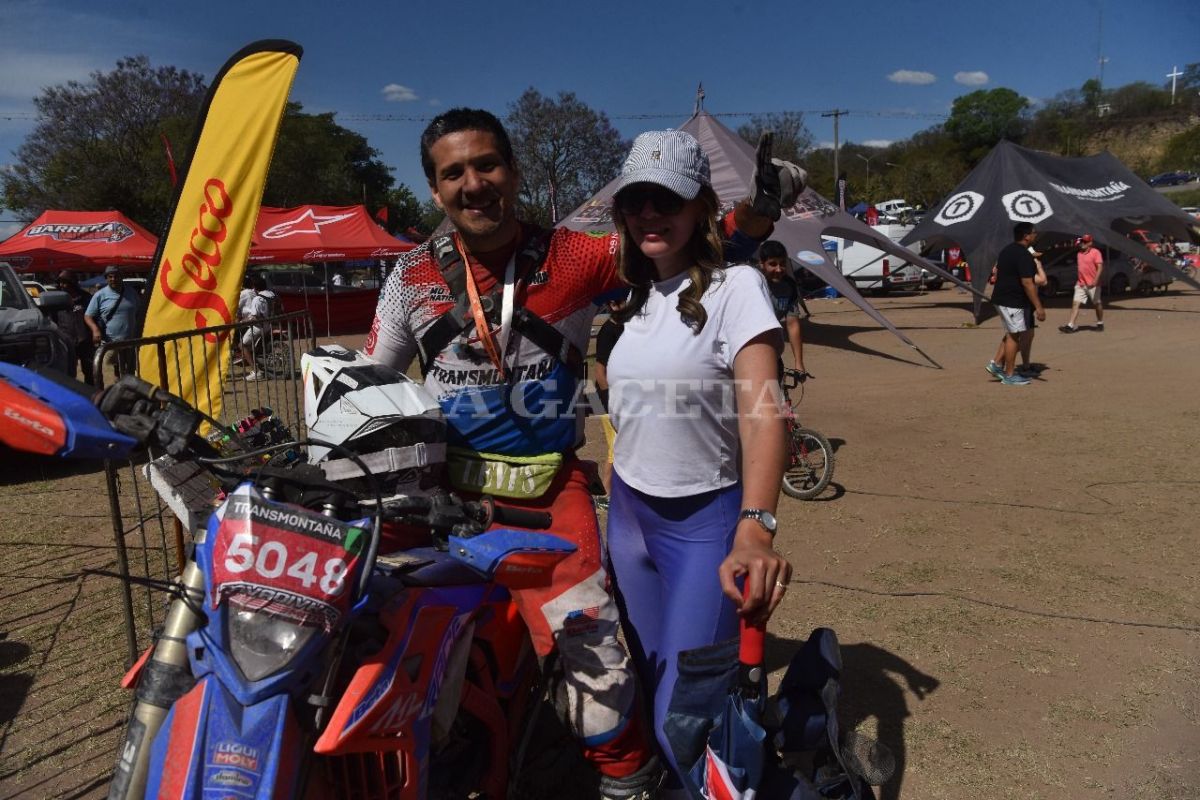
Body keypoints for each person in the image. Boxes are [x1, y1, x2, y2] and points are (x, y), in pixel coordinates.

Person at [363, 107, 802, 799]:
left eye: (487, 165)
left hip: (551, 495)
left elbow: (680, 250)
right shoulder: (408, 275)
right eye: (454, 174)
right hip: (446, 496)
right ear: (434, 189)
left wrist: (754, 221)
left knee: (594, 653)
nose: (474, 184)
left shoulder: (575, 253)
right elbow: (372, 385)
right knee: (392, 629)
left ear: (513, 172)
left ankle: (629, 775)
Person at [603, 130, 793, 795]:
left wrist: (756, 525)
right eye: (637, 200)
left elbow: (767, 410)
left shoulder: (738, 286)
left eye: (668, 199)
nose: (650, 213)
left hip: (704, 528)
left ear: (701, 206)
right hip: (627, 522)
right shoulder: (633, 295)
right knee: (652, 694)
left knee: (683, 721)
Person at [984, 222, 1046, 386]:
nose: (1036, 235)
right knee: (1014, 336)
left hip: (1002, 299)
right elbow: (1027, 283)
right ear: (1026, 236)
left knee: (1012, 332)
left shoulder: (1007, 250)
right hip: (1012, 302)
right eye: (1034, 232)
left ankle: (997, 364)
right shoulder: (1023, 255)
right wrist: (1038, 307)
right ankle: (1009, 375)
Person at [756, 239, 809, 378]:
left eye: (782, 264)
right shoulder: (753, 284)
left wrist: (799, 363)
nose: (779, 269)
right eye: (772, 264)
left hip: (773, 350)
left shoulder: (789, 286)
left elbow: (792, 324)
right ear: (761, 264)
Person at [592, 299, 625, 510]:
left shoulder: (625, 328)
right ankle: (605, 494)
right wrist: (610, 402)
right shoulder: (608, 331)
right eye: (623, 302)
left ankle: (615, 493)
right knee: (615, 449)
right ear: (612, 305)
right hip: (606, 401)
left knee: (622, 446)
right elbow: (599, 372)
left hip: (622, 398)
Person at [84, 265, 140, 377]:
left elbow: (139, 312)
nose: (113, 279)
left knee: (131, 373)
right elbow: (88, 316)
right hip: (111, 342)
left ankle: (128, 392)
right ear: (106, 278)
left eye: (116, 276)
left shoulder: (131, 292)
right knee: (112, 372)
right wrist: (95, 330)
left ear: (122, 277)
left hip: (130, 341)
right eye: (110, 276)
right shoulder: (100, 295)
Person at [54, 271, 96, 384]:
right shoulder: (57, 299)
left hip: (85, 341)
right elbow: (53, 321)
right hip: (66, 341)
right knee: (69, 372)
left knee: (90, 371)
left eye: (64, 283)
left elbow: (93, 316)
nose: (61, 285)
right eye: (60, 283)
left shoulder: (86, 298)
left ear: (73, 283)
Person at [1060, 234, 1104, 333]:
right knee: (1075, 303)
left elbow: (1100, 267)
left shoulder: (1096, 252)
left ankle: (1100, 322)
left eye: (1085, 242)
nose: (1082, 244)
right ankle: (1070, 325)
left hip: (1093, 284)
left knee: (1097, 304)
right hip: (1080, 284)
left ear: (1090, 243)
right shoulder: (1079, 254)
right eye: (1082, 242)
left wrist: (1095, 280)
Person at [241, 274, 272, 381]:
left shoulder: (257, 299)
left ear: (254, 287)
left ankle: (256, 372)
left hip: (260, 326)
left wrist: (243, 321)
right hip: (270, 325)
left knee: (242, 345)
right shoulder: (272, 294)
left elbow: (254, 317)